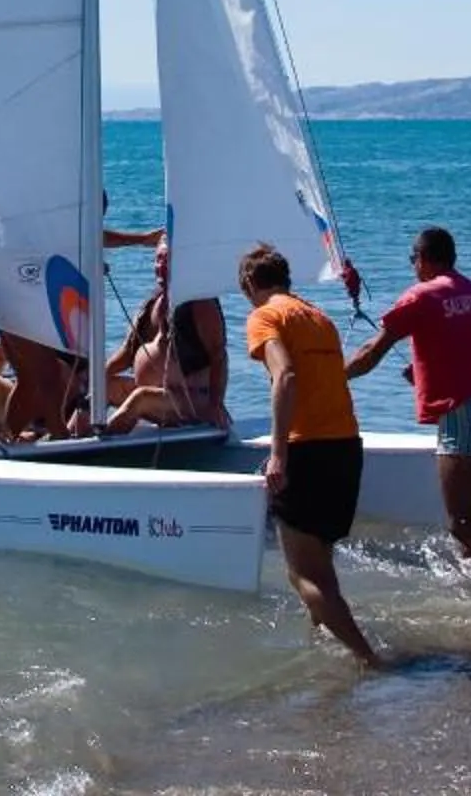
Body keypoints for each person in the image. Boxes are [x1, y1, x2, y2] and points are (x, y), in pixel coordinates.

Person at [346, 227, 471, 596]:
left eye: (412, 259)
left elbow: (371, 352)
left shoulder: (421, 294)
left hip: (463, 415)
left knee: (462, 522)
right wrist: (423, 374)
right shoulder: (468, 290)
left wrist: (333, 379)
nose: (412, 267)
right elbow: (463, 346)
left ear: (424, 259)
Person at [240, 242, 383, 668]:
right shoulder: (319, 318)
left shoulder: (265, 316)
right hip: (346, 447)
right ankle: (322, 650)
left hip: (308, 450)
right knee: (321, 564)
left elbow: (285, 375)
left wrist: (278, 454)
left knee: (301, 573)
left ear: (249, 284)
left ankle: (369, 659)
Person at [104, 240, 232, 434]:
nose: (161, 265)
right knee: (101, 387)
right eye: (158, 259)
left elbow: (219, 355)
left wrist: (216, 404)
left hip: (192, 401)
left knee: (141, 398)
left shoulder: (199, 303)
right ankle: (72, 438)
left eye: (168, 260)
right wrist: (96, 377)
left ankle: (102, 442)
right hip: (157, 396)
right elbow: (126, 353)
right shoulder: (153, 302)